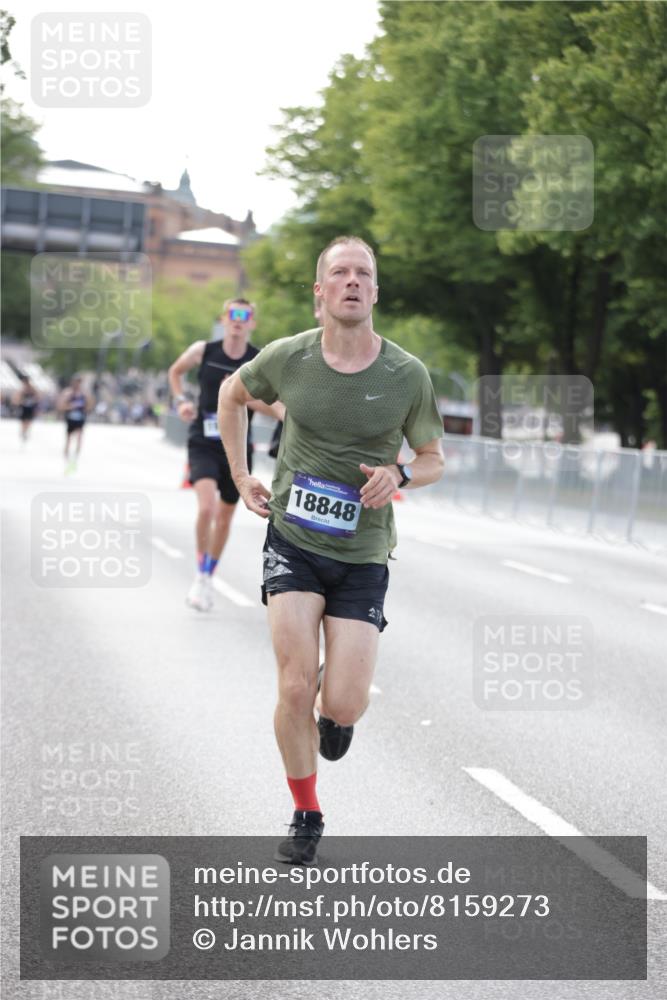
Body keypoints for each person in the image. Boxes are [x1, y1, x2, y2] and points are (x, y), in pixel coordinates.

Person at [219, 236, 444, 864]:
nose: (351, 281)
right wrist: (241, 478)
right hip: (293, 537)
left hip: (364, 553)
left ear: (375, 291)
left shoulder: (407, 375)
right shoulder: (288, 357)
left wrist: (399, 475)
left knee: (340, 701)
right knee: (293, 685)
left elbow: (433, 460)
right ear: (320, 292)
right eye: (339, 273)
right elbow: (231, 397)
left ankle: (336, 714)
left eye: (363, 274)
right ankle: (306, 810)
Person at [168, 298, 284, 612]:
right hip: (203, 441)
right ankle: (199, 572)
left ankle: (208, 575)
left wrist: (235, 394)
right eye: (233, 314)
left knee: (224, 517)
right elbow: (175, 373)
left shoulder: (258, 360)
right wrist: (181, 401)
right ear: (224, 318)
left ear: (252, 323)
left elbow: (268, 402)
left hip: (237, 447)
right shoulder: (203, 350)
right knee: (206, 508)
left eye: (245, 315)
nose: (238, 320)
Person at [58, 374, 92, 472]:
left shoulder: (84, 394)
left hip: (80, 418)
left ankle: (76, 455)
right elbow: (61, 405)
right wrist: (70, 407)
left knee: (79, 436)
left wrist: (85, 408)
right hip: (70, 417)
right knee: (68, 438)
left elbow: (89, 405)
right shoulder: (68, 393)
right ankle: (66, 455)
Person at [14, 374, 40, 443]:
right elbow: (17, 399)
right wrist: (22, 402)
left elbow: (37, 397)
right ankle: (23, 431)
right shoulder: (22, 389)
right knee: (23, 420)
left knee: (29, 420)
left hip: (30, 407)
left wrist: (33, 401)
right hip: (24, 407)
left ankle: (25, 431)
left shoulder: (32, 389)